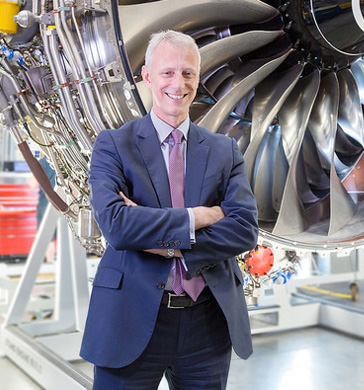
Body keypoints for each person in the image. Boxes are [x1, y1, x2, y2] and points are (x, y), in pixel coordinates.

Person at [80, 30, 259, 389]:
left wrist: (166, 243)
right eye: (167, 72)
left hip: (207, 323)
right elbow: (117, 226)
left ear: (198, 77)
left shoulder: (224, 150)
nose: (178, 84)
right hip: (130, 316)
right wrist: (197, 217)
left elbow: (244, 230)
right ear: (147, 77)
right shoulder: (113, 145)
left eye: (188, 73)